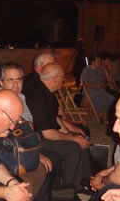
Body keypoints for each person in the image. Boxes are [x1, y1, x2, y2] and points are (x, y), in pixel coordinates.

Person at [0, 63, 60, 201]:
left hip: (22, 147)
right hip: (5, 154)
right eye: (10, 80)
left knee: (49, 162)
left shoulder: (22, 98)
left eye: (19, 79)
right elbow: (4, 137)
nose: (16, 85)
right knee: (36, 171)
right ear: (1, 83)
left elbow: (30, 126)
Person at [23, 63, 91, 191]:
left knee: (80, 137)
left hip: (46, 133)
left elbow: (55, 117)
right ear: (54, 79)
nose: (64, 80)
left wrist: (71, 133)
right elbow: (48, 134)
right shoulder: (37, 96)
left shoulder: (47, 91)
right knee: (73, 147)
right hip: (36, 138)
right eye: (62, 77)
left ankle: (84, 182)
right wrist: (73, 139)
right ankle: (67, 188)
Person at [81, 54, 117, 124]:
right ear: (92, 62)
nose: (99, 63)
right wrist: (98, 86)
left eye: (100, 61)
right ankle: (104, 117)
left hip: (101, 91)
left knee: (111, 99)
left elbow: (108, 81)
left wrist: (109, 71)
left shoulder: (99, 70)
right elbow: (85, 84)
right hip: (90, 92)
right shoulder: (87, 70)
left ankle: (105, 117)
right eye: (98, 61)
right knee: (102, 99)